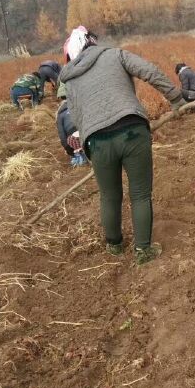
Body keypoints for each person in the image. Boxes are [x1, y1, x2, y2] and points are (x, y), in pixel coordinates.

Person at [59, 25, 184, 265]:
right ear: (91, 42)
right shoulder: (115, 54)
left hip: (97, 142)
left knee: (108, 195)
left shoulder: (69, 79)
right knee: (139, 194)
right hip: (132, 131)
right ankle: (143, 251)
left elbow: (75, 116)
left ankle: (114, 246)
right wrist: (176, 99)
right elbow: (150, 71)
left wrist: (89, 146)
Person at [55, 82, 87, 167]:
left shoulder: (60, 114)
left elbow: (62, 136)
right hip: (87, 133)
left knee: (73, 143)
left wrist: (70, 151)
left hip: (72, 137)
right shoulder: (82, 105)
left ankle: (80, 156)